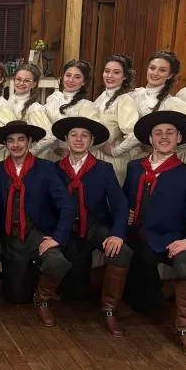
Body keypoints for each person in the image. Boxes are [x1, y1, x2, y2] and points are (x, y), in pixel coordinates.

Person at [124, 111, 186, 361]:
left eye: (170, 133)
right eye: (158, 133)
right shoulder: (134, 169)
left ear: (179, 138)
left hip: (169, 239)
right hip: (136, 237)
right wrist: (126, 216)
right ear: (150, 139)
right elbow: (125, 201)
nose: (164, 137)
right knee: (141, 303)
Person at [0, 121, 75, 327]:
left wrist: (58, 237)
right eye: (10, 140)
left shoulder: (46, 168)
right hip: (10, 235)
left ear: (29, 142)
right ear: (5, 144)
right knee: (15, 297)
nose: (16, 145)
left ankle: (43, 300)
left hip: (36, 232)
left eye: (21, 139)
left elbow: (67, 205)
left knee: (57, 262)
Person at [52, 117, 132, 337]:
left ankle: (109, 310)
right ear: (66, 140)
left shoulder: (104, 169)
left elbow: (120, 204)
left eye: (84, 135)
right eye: (74, 135)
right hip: (67, 230)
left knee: (122, 251)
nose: (79, 139)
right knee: (75, 295)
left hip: (95, 227)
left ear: (92, 140)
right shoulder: (54, 169)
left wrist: (117, 234)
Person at [129, 51, 186, 165]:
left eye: (162, 70)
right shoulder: (133, 95)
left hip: (158, 161)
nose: (155, 73)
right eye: (152, 68)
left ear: (170, 75)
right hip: (130, 160)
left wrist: (165, 147)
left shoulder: (173, 103)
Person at [92, 55, 140, 185]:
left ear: (125, 76)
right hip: (95, 157)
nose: (110, 75)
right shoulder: (102, 97)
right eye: (107, 71)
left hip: (112, 162)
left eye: (116, 72)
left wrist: (115, 151)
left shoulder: (125, 100)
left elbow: (135, 134)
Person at [43, 60, 100, 159]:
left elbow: (98, 137)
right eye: (68, 75)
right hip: (47, 154)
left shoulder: (86, 106)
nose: (71, 80)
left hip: (71, 158)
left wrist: (72, 151)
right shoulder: (53, 98)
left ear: (84, 82)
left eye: (77, 77)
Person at [0, 64, 55, 160]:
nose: (21, 83)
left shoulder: (34, 108)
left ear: (34, 84)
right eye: (18, 79)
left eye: (27, 81)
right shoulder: (10, 101)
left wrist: (29, 154)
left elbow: (49, 137)